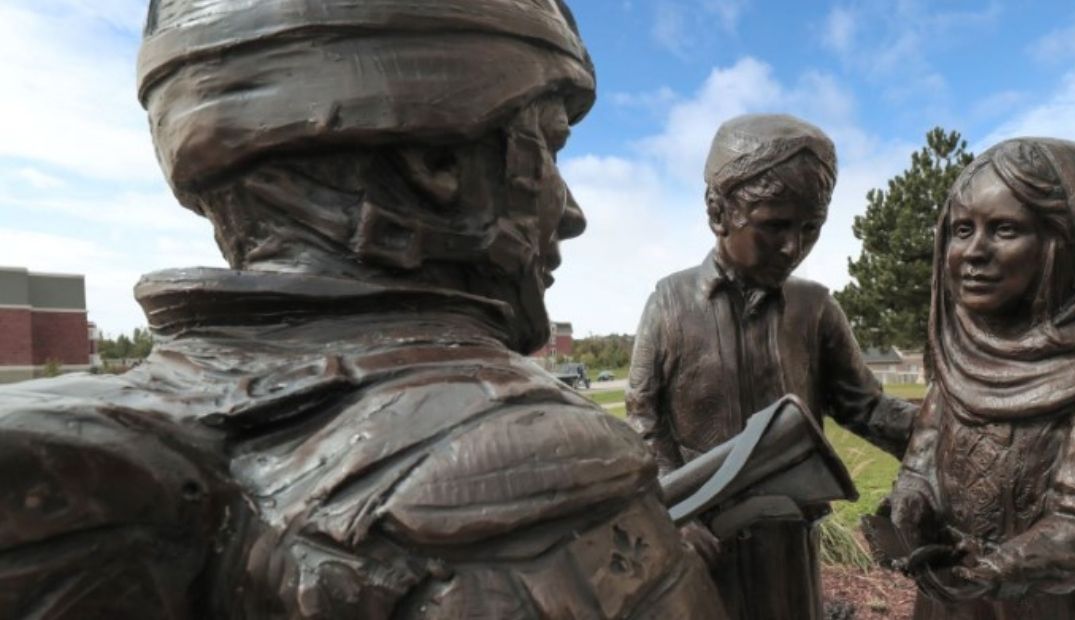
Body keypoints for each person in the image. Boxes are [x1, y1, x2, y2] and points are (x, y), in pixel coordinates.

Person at [0, 1, 725, 617]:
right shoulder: (537, 471)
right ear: (434, 169)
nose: (570, 213)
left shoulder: (124, 436)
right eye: (551, 147)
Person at [627, 113, 916, 620]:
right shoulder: (670, 303)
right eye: (774, 226)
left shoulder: (816, 309)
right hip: (704, 546)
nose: (793, 247)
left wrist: (946, 438)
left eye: (811, 228)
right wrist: (673, 515)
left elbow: (866, 408)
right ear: (718, 212)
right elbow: (644, 419)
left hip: (787, 542)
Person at [885, 137, 1075, 619]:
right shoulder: (960, 367)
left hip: (1057, 606)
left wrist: (996, 569)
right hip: (955, 600)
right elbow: (921, 464)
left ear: (1072, 247)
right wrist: (910, 502)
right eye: (963, 230)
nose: (974, 251)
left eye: (1004, 229)